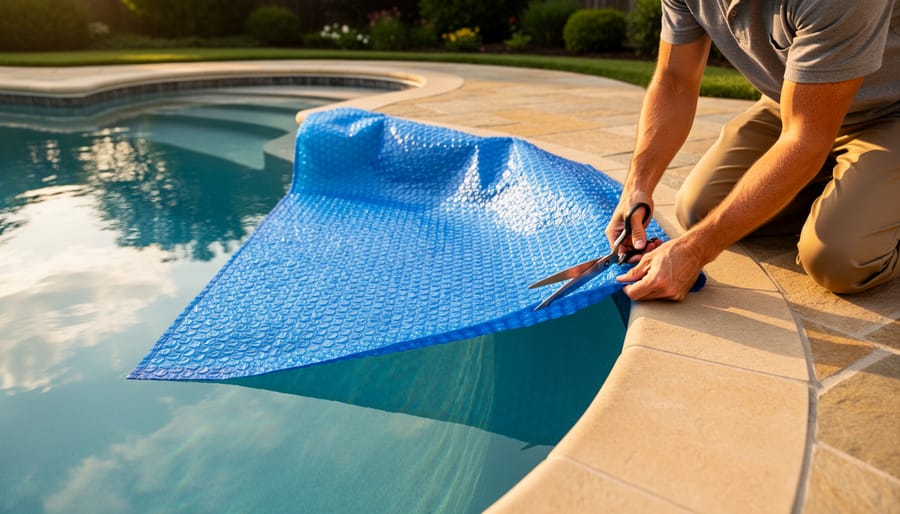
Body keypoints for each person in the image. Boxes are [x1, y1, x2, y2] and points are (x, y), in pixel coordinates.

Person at [609, 0, 899, 301]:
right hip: (796, 101)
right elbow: (674, 82)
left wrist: (695, 250)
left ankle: (866, 207)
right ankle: (861, 199)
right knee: (699, 208)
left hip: (889, 112)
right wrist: (637, 187)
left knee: (838, 259)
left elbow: (805, 140)